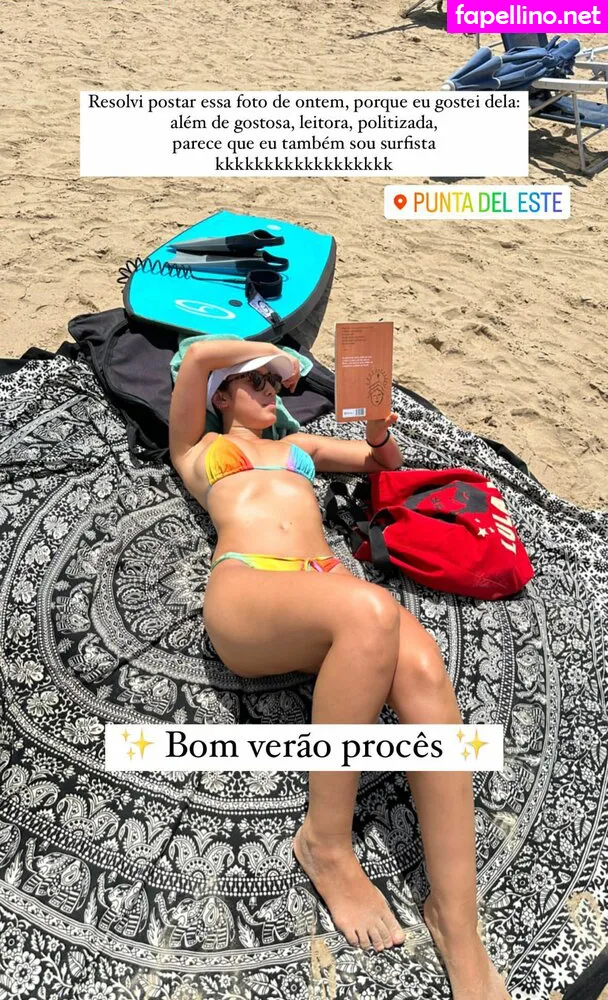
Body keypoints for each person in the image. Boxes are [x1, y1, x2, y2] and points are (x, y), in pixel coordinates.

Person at [169, 338, 510, 1000]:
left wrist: (377, 426)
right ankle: (325, 842)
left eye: (275, 383)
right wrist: (275, 350)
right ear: (222, 395)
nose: (272, 391)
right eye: (257, 382)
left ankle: (456, 922)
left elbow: (383, 464)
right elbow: (201, 356)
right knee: (372, 612)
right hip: (250, 588)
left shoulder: (300, 449)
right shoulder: (198, 447)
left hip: (327, 587)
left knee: (423, 670)